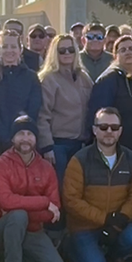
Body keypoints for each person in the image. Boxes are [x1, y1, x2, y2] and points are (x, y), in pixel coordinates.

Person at [63, 107, 132, 262]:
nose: (109, 131)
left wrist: (121, 219)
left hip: (118, 224)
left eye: (114, 127)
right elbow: (71, 200)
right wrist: (105, 219)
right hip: (84, 227)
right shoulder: (79, 160)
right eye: (103, 127)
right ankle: (70, 247)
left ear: (120, 131)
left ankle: (114, 256)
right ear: (94, 130)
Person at [0, 115, 69, 262]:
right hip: (1, 227)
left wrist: (30, 211)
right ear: (12, 138)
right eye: (20, 134)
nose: (25, 138)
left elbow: (54, 212)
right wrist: (43, 202)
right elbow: (4, 200)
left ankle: (13, 254)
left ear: (36, 138)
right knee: (17, 216)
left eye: (30, 134)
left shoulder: (46, 168)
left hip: (33, 229)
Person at [86, 34, 132, 174]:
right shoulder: (109, 80)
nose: (128, 52)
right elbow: (97, 118)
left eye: (131, 48)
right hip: (121, 155)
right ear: (115, 55)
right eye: (123, 50)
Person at [37, 33, 94, 184]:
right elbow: (42, 115)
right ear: (55, 53)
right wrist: (47, 146)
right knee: (61, 188)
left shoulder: (84, 77)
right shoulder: (48, 79)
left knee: (78, 188)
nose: (67, 53)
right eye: (62, 51)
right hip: (58, 145)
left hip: (81, 144)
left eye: (71, 50)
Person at [0, 30, 44, 162]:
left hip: (23, 141)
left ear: (20, 50)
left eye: (13, 46)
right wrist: (6, 137)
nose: (9, 50)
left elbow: (33, 109)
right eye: (5, 46)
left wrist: (19, 134)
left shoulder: (31, 77)